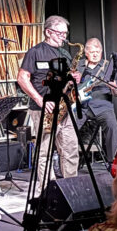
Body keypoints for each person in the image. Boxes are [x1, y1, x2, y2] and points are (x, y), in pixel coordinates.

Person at [16, 15, 81, 197]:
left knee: (70, 150)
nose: (64, 37)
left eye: (65, 33)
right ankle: (46, 192)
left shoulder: (65, 54)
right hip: (44, 108)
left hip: (64, 108)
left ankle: (71, 191)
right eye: (60, 33)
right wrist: (40, 100)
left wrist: (75, 78)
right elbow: (22, 78)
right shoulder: (35, 52)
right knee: (44, 152)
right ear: (48, 32)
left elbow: (68, 80)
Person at [76, 37, 117, 165]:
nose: (95, 54)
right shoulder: (78, 66)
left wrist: (114, 88)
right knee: (67, 128)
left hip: (103, 106)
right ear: (86, 53)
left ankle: (113, 163)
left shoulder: (109, 67)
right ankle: (68, 161)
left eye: (98, 51)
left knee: (113, 126)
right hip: (81, 107)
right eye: (92, 51)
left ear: (101, 52)